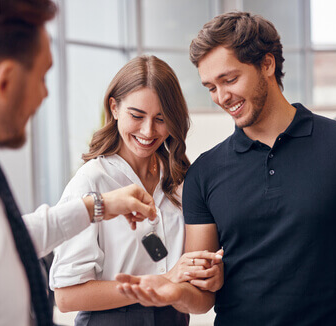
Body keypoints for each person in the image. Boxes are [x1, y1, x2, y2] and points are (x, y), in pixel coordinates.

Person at [116, 11, 336, 326]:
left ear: (267, 64)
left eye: (229, 79)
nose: (222, 97)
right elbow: (201, 297)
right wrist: (174, 293)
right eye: (211, 87)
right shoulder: (205, 172)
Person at [0, 1, 157, 326]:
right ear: (5, 81)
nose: (45, 95)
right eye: (43, 77)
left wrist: (97, 206)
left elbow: (10, 237)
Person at [49, 55, 223, 326]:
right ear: (114, 107)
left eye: (161, 119)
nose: (148, 130)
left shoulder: (182, 182)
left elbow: (200, 299)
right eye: (137, 115)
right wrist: (161, 282)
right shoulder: (91, 182)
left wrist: (207, 279)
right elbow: (66, 296)